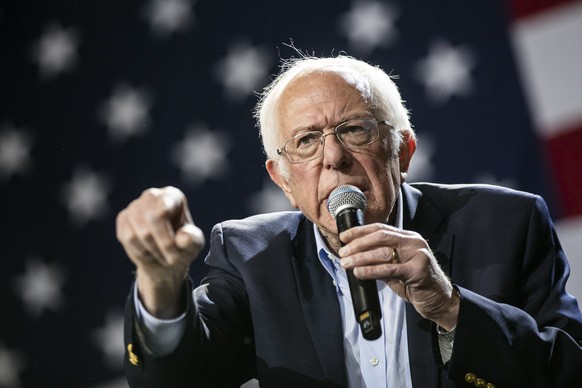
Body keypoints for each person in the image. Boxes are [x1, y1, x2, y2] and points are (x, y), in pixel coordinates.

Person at [116, 55, 582, 388]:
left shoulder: (506, 224)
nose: (333, 157)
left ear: (403, 151)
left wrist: (450, 306)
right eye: (306, 141)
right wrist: (159, 281)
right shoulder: (249, 258)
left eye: (354, 130)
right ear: (282, 179)